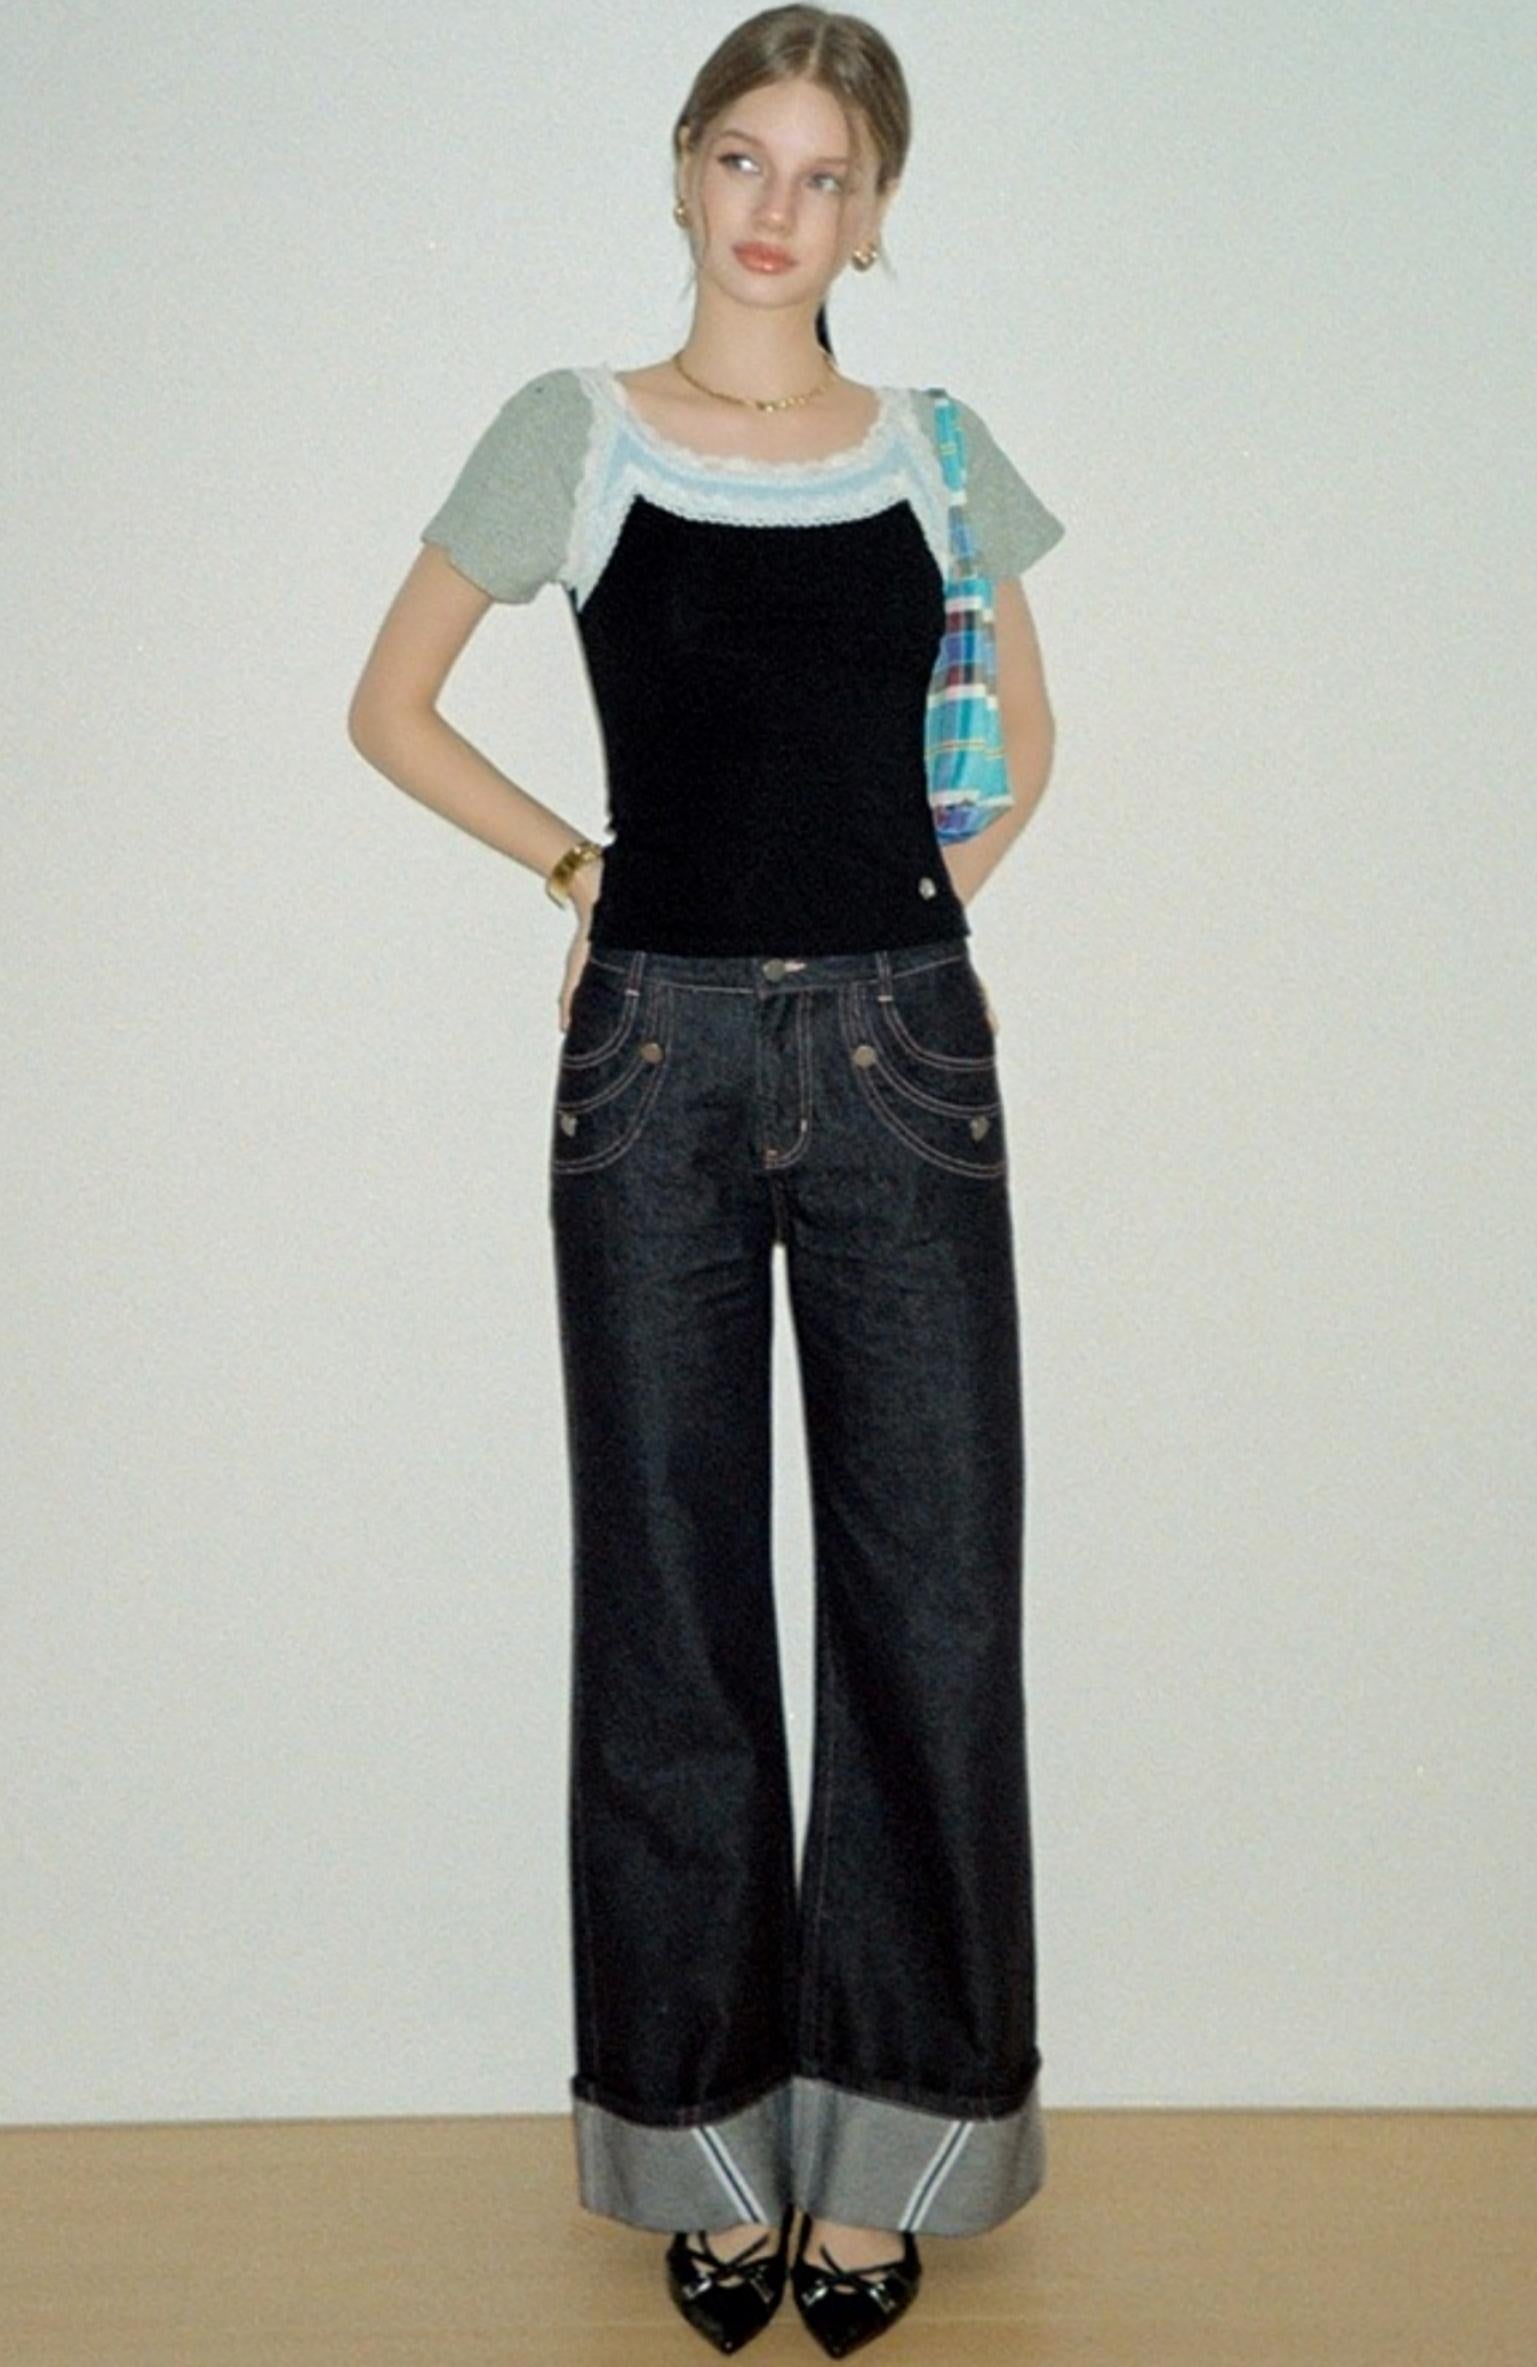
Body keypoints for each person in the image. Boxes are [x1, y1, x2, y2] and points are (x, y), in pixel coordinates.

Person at [348, 7, 1065, 2355]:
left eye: (826, 173)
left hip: (899, 1058)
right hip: (651, 1059)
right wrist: (583, 868)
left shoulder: (938, 447)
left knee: (931, 1602)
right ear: (682, 171)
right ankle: (706, 2150)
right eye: (745, 157)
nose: (779, 207)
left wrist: (895, 925)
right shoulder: (574, 430)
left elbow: (1021, 739)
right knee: (668, 1607)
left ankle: (896, 2156)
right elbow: (389, 705)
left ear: (875, 210)